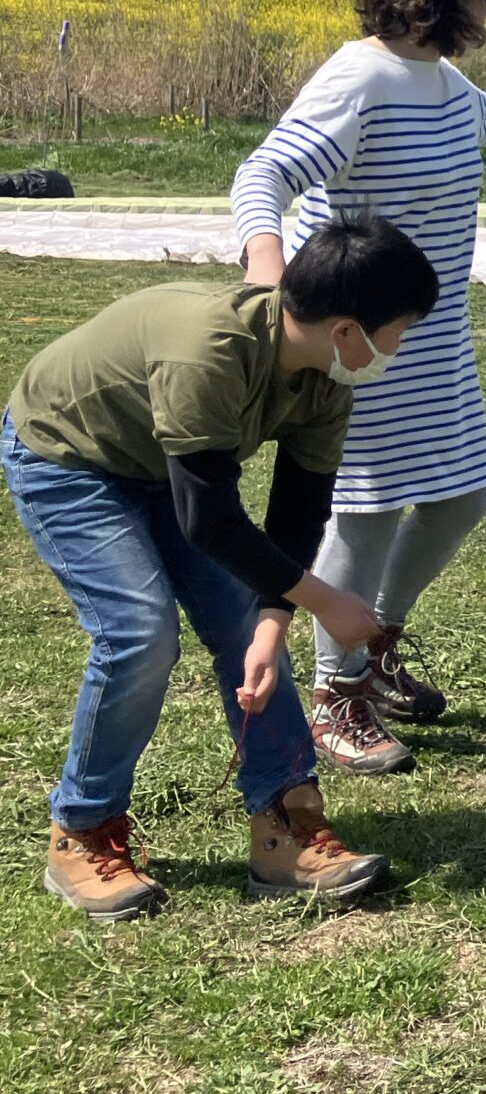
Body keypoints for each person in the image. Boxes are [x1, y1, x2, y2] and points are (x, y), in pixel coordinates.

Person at [3, 214, 440, 920]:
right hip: (70, 456)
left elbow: (297, 513)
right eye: (401, 331)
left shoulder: (328, 379)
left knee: (244, 628)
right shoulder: (207, 352)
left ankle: (285, 825)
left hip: (168, 467)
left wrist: (270, 625)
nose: (401, 346)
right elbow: (208, 519)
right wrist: (324, 601)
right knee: (140, 635)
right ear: (346, 330)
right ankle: (80, 831)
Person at [231, 0, 486, 776]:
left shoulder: (442, 81)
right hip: (360, 339)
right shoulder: (359, 79)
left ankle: (375, 639)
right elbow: (262, 173)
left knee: (461, 496)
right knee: (367, 510)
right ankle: (336, 693)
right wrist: (268, 276)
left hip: (432, 340)